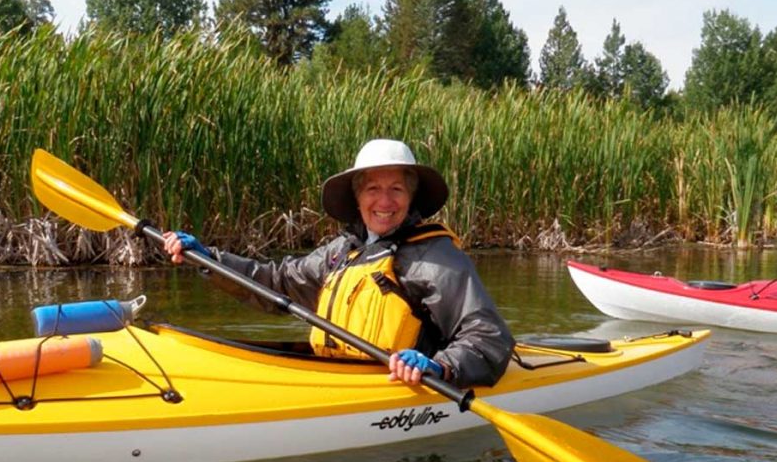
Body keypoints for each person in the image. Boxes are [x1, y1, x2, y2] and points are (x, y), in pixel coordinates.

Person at [163, 139, 514, 388]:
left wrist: (440, 366)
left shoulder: (434, 258)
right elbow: (276, 283)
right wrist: (209, 259)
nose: (384, 201)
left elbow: (488, 338)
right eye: (373, 189)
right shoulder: (342, 252)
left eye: (396, 189)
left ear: (411, 198)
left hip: (402, 387)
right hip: (336, 378)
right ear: (358, 198)